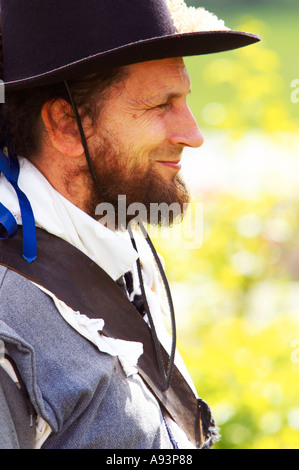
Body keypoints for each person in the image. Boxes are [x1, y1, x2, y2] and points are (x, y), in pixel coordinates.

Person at [0, 0, 260, 450]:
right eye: (162, 104)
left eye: (185, 100)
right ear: (66, 124)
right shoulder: (9, 319)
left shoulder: (117, 235)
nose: (192, 134)